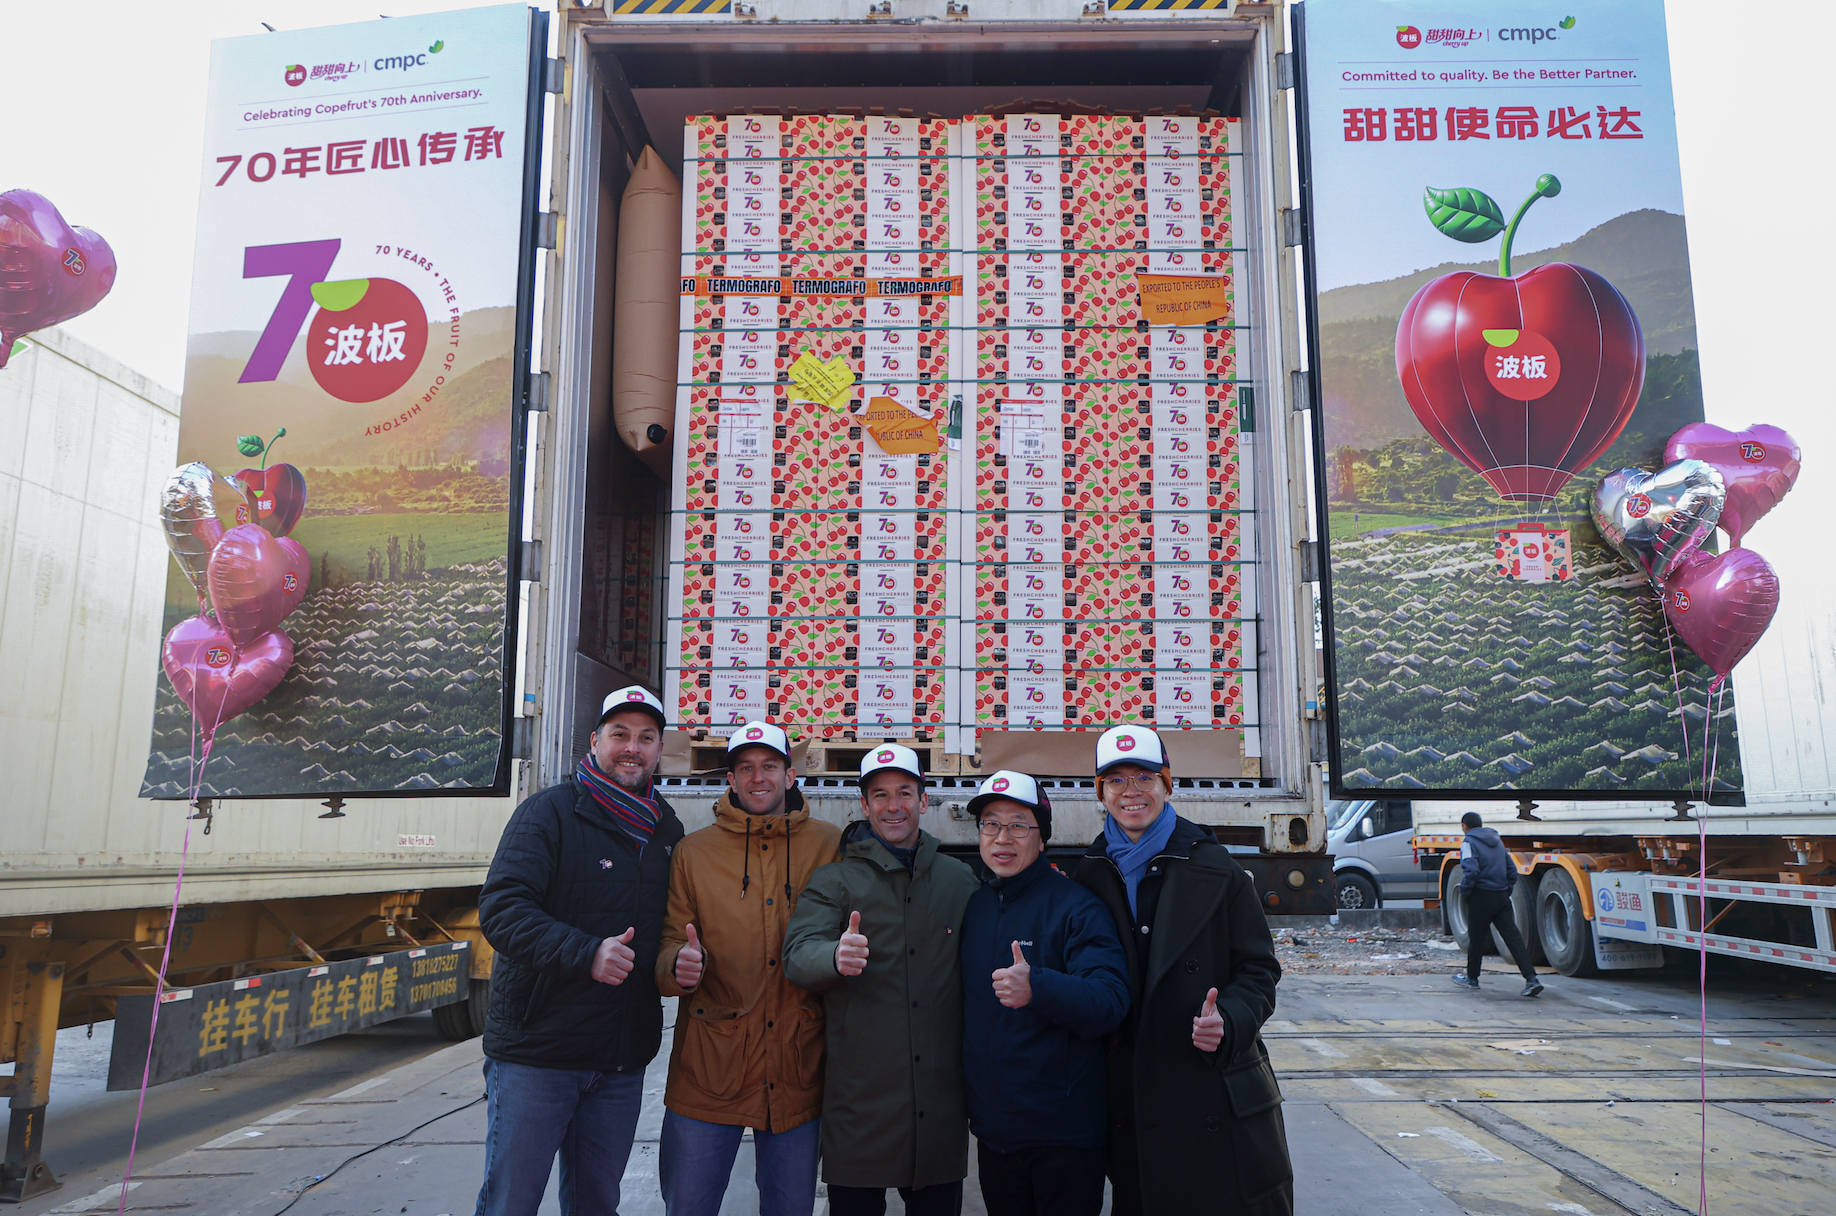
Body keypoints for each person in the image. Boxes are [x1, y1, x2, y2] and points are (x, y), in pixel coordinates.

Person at [473, 686, 685, 1216]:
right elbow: (501, 909)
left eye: (646, 738)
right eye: (620, 734)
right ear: (594, 741)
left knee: (596, 1204)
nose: (632, 748)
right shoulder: (547, 813)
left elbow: (670, 928)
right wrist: (586, 952)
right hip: (538, 1054)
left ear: (660, 750)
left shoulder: (667, 830)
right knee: (511, 1201)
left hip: (619, 1059)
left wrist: (679, 961)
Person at [1073, 725, 1292, 1216]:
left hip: (1210, 1087)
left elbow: (1259, 970)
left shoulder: (1218, 869)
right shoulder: (1089, 875)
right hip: (1133, 1097)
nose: (1131, 792)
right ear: (1101, 793)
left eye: (1144, 778)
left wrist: (1229, 1019)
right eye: (1116, 780)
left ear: (1167, 785)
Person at [653, 721, 842, 1216]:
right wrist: (678, 965)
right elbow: (669, 943)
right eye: (746, 768)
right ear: (731, 780)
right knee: (688, 1205)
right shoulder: (693, 853)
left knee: (790, 1207)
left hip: (797, 1068)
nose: (759, 778)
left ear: (790, 775)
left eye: (770, 766)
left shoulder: (829, 846)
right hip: (709, 1070)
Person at [782, 744, 979, 1216]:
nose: (894, 806)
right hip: (860, 1103)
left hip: (938, 1106)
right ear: (865, 805)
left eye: (905, 793)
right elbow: (798, 955)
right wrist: (834, 956)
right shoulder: (834, 881)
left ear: (924, 801)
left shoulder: (958, 880)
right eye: (881, 795)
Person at [960, 771, 1130, 1216]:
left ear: (1042, 837)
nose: (1002, 838)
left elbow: (1110, 1000)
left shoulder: (1077, 906)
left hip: (1063, 1138)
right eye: (991, 824)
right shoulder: (977, 906)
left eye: (1018, 825)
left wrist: (1039, 986)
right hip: (996, 1135)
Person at [1453, 811, 1544, 997]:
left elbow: (1471, 870)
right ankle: (1531, 979)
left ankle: (1472, 978)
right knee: (1513, 938)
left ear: (1464, 826)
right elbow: (1511, 870)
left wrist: (1465, 891)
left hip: (1480, 896)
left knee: (1477, 939)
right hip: (1501, 895)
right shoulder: (1497, 841)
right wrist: (1506, 889)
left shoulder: (1468, 842)